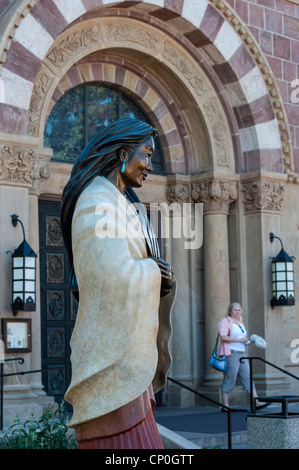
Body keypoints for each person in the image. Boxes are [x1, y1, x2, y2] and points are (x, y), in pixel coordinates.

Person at [60, 118, 176, 449]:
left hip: (126, 365)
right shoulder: (96, 202)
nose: (150, 166)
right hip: (110, 365)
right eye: (147, 154)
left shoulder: (122, 205)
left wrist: (161, 277)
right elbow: (110, 277)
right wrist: (154, 272)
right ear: (124, 153)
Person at [218, 302, 269, 411]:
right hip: (231, 353)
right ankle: (225, 405)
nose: (237, 312)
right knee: (230, 377)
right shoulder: (225, 321)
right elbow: (223, 338)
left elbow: (242, 340)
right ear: (230, 311)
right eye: (235, 310)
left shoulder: (240, 323)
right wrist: (239, 340)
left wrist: (248, 342)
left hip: (242, 353)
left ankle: (257, 402)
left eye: (239, 310)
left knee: (248, 377)